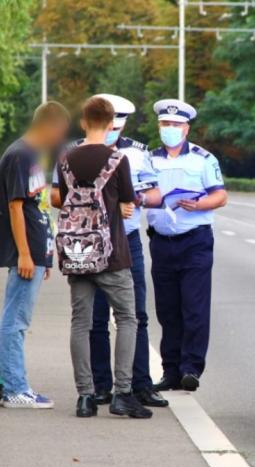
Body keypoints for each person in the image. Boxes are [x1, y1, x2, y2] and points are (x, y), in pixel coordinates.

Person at [51, 94, 167, 409]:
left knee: (82, 322)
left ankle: (86, 396)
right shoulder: (118, 160)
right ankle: (122, 393)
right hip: (113, 253)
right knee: (128, 317)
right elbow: (128, 203)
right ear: (110, 124)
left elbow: (59, 198)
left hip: (77, 252)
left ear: (84, 123)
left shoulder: (65, 158)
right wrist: (119, 205)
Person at [147, 99, 228, 393]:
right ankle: (170, 371)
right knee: (167, 310)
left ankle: (191, 368)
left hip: (195, 241)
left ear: (186, 128)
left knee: (193, 307)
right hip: (162, 242)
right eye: (165, 124)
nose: (170, 129)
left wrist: (197, 205)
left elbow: (219, 196)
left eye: (175, 125)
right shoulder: (149, 159)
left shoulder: (203, 159)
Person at [0, 101, 70, 409]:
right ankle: (15, 389)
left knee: (19, 318)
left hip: (36, 253)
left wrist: (44, 254)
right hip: (25, 254)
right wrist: (25, 254)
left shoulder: (32, 156)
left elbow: (36, 206)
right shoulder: (19, 156)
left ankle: (14, 384)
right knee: (16, 320)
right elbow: (15, 208)